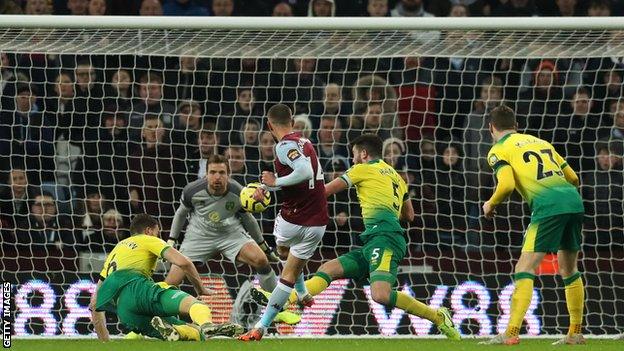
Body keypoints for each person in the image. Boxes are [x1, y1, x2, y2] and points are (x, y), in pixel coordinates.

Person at [250, 134, 460, 340]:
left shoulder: (362, 169)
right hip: (374, 240)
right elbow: (410, 215)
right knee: (327, 269)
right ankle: (289, 300)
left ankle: (438, 316)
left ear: (364, 154)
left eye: (354, 155)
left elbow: (323, 192)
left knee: (381, 295)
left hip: (385, 239)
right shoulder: (396, 176)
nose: (352, 160)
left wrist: (276, 185)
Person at [480, 105, 585, 345]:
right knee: (569, 270)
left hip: (548, 206)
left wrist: (490, 204)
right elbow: (574, 178)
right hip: (573, 201)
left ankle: (512, 332)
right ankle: (575, 332)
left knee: (524, 268)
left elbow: (505, 184)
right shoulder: (540, 142)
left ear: (491, 128)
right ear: (516, 126)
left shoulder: (499, 149)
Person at [238, 104, 328, 341]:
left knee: (283, 257)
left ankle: (260, 326)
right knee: (290, 259)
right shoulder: (306, 143)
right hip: (319, 221)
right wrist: (269, 185)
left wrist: (274, 181)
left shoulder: (284, 146)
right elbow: (307, 176)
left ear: (269, 126)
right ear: (293, 122)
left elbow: (304, 171)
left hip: (294, 218)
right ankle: (302, 293)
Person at [164, 155, 288, 316]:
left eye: (222, 172)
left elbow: (248, 220)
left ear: (228, 174)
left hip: (230, 233)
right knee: (171, 281)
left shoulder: (239, 192)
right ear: (206, 174)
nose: (217, 177)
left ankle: (277, 309)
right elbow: (181, 214)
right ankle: (160, 316)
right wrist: (172, 240)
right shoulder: (192, 191)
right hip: (199, 234)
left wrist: (264, 246)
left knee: (261, 261)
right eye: (213, 172)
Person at [90, 213, 243, 342]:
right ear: (149, 230)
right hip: (138, 289)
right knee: (195, 305)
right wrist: (200, 288)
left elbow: (95, 303)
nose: (158, 236)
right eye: (158, 233)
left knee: (184, 332)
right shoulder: (147, 239)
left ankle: (188, 331)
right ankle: (207, 325)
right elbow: (184, 262)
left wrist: (105, 342)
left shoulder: (116, 251)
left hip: (124, 311)